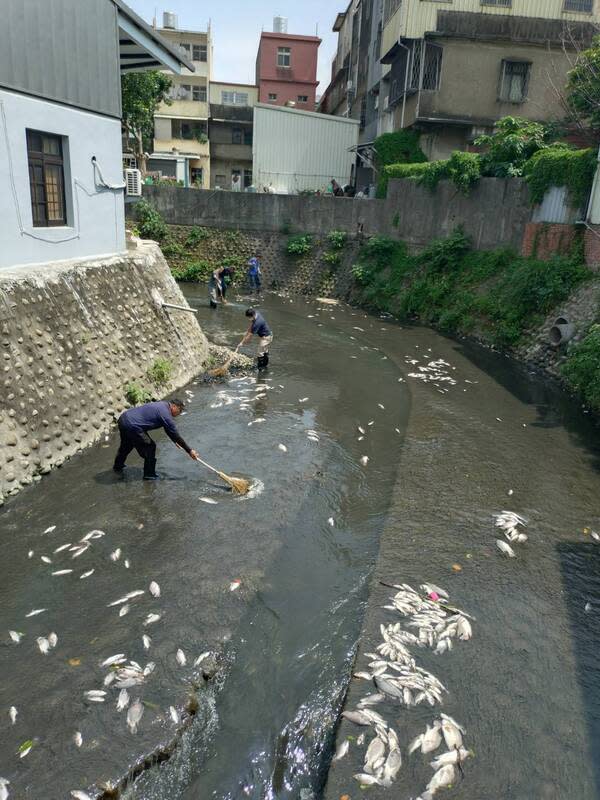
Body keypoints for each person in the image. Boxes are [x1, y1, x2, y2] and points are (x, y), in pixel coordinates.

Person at [113, 399, 198, 480]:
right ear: (174, 406)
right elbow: (175, 434)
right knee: (150, 447)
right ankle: (149, 475)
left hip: (124, 419)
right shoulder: (166, 415)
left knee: (126, 445)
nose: (180, 413)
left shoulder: (163, 405)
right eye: (180, 410)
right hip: (133, 425)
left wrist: (174, 441)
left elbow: (169, 430)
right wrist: (189, 451)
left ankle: (118, 466)